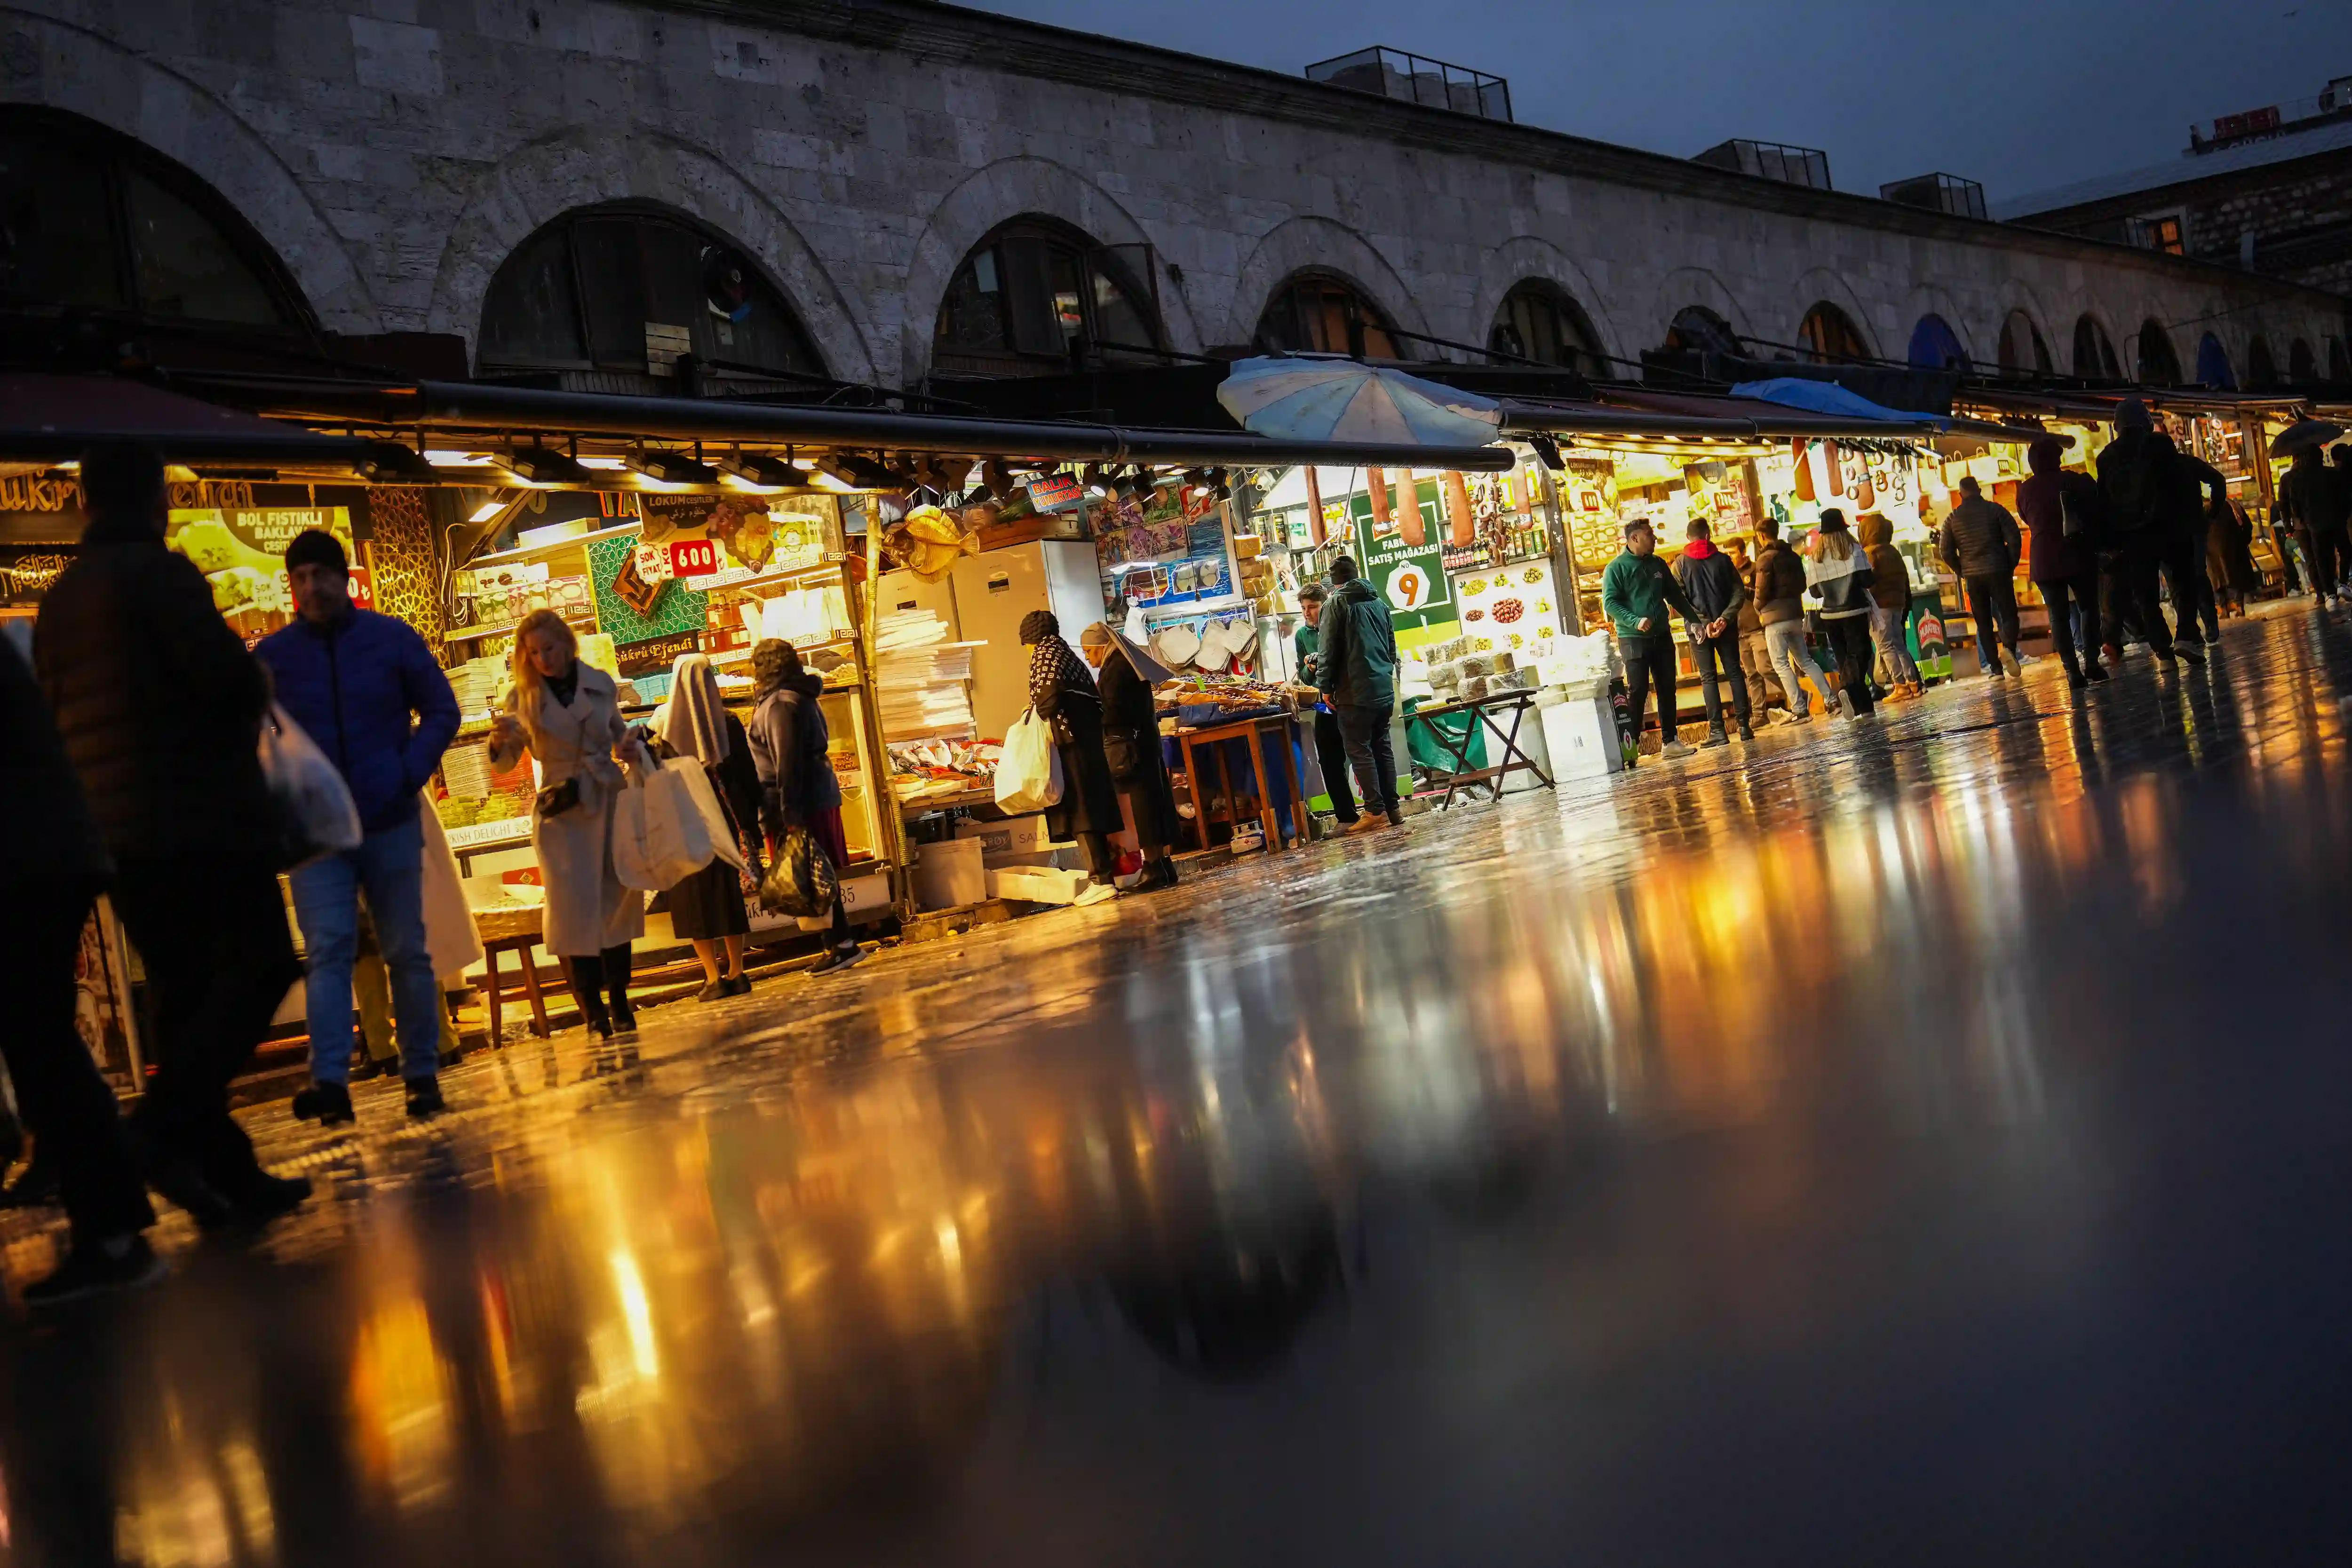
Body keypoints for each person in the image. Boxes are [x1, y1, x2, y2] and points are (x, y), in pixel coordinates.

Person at [33, 440, 309, 1229]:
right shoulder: (162, 574)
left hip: (119, 836)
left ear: (84, 503)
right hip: (204, 821)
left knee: (185, 996)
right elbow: (227, 682)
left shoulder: (62, 599)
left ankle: (227, 1175)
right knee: (260, 969)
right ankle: (154, 1133)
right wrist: (256, 679)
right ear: (158, 502)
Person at [255, 528, 461, 1125]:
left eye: (321, 574)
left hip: (389, 816)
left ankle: (421, 1073)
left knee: (406, 951)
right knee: (328, 953)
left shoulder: (390, 640)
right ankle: (331, 1083)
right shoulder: (274, 659)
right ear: (291, 585)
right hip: (317, 833)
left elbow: (443, 709)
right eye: (300, 577)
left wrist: (408, 771)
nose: (311, 586)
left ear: (343, 579)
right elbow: (246, 735)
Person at [0, 632, 161, 1301]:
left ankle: (116, 1232)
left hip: (27, 862)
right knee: (43, 1043)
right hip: (45, 854)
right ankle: (116, 1225)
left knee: (42, 1046)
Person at [487, 609, 652, 1034]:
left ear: (567, 643)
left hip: (608, 798)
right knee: (572, 909)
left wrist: (634, 747)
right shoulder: (522, 699)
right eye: (534, 653)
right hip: (561, 810)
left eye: (550, 648)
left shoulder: (599, 685)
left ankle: (619, 995)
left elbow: (618, 736)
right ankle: (591, 1003)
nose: (544, 659)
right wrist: (499, 741)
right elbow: (506, 763)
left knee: (617, 900)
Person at [746, 640, 870, 964]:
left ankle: (842, 944)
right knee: (817, 871)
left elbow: (787, 760)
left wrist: (790, 813)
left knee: (812, 872)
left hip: (801, 800)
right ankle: (837, 944)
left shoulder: (779, 704)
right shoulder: (797, 694)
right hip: (814, 794)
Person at [652, 653, 762, 1002]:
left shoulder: (662, 725)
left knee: (692, 902)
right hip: (724, 822)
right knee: (727, 896)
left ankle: (712, 976)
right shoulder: (727, 721)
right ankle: (737, 970)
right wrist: (751, 825)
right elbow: (748, 778)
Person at [1020, 611, 1126, 899]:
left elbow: (1047, 701)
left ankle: (1101, 880)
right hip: (1090, 746)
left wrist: (1033, 715)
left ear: (1031, 639)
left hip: (1070, 748)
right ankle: (1105, 877)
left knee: (1081, 812)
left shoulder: (1043, 656)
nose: (1028, 651)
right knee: (1091, 807)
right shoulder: (1069, 657)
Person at [2096, 398, 2199, 666]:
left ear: (2117, 426)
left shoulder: (2106, 458)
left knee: (2147, 598)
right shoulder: (2160, 445)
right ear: (2146, 421)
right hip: (2168, 529)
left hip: (2132, 537)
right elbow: (2181, 485)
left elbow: (2103, 503)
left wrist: (2111, 542)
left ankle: (2164, 654)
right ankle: (2186, 637)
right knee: (2183, 583)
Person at [1081, 622, 1181, 891]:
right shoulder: (1126, 662)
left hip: (1131, 748)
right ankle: (1163, 866)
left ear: (1103, 647)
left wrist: (1089, 716)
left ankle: (1154, 869)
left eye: (1090, 652)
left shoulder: (1116, 669)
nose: (1089, 659)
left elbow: (1113, 711)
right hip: (1144, 744)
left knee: (1143, 809)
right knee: (1154, 804)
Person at [1313, 556, 1407, 823]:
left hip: (1354, 691)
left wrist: (1325, 687)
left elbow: (1327, 650)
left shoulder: (1335, 604)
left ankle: (1374, 811)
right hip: (1382, 689)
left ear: (1335, 580)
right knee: (1382, 746)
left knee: (1359, 749)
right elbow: (1391, 648)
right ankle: (1393, 808)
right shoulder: (1379, 603)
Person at [2014, 436, 2110, 689]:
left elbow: (2026, 518)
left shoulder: (2024, 490)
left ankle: (2071, 671)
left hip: (2044, 558)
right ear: (2056, 459)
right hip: (2077, 552)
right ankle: (2091, 662)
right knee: (2088, 608)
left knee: (2058, 616)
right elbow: (2094, 506)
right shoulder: (2072, 480)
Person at [1602, 520, 1699, 760]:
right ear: (1634, 539)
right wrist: (1634, 620)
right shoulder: (1616, 569)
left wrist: (1694, 620)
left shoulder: (1657, 565)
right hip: (1633, 638)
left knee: (1667, 687)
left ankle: (1670, 741)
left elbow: (1674, 595)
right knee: (1638, 690)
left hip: (1662, 635)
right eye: (1649, 534)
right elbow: (1610, 603)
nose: (1654, 538)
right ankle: (1631, 746)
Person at [1670, 519, 1751, 745]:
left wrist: (1703, 622)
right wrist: (1724, 619)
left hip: (1699, 631)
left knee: (1709, 678)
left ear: (1689, 538)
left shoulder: (1680, 564)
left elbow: (1679, 600)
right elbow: (1739, 593)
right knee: (1735, 672)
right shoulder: (1724, 561)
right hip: (1726, 628)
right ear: (1708, 536)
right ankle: (1744, 727)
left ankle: (1718, 731)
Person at [1939, 476, 2023, 679]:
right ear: (1979, 490)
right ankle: (2009, 649)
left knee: (1983, 622)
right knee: (2009, 614)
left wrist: (1962, 570)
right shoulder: (1996, 510)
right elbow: (2014, 538)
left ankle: (1995, 669)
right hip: (1998, 570)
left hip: (1973, 577)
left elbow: (1945, 552)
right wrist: (2009, 564)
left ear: (1960, 495)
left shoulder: (1952, 519)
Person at [1292, 582, 1359, 828]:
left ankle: (1377, 810)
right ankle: (1347, 817)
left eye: (1313, 607)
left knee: (1360, 755)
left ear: (1325, 605)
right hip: (1324, 705)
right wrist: (1310, 669)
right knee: (1329, 761)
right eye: (1304, 609)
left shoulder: (1338, 626)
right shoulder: (1302, 636)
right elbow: (1305, 679)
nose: (1308, 613)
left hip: (1349, 701)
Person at [1804, 509, 1877, 718]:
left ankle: (1864, 707)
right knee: (1861, 653)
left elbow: (1814, 592)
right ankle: (1846, 687)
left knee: (1845, 659)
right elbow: (1867, 580)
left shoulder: (1815, 559)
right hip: (1855, 611)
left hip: (1830, 617)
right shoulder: (1854, 549)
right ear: (1844, 529)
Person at [1750, 516, 1815, 724]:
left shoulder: (1765, 558)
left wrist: (1757, 606)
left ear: (1761, 536)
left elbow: (1762, 590)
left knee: (1780, 664)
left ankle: (1799, 707)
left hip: (1774, 619)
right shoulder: (1793, 556)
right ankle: (1832, 699)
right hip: (1795, 614)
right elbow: (1803, 585)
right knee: (1805, 660)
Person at [1857, 513, 1923, 700]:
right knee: (1899, 645)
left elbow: (1867, 581)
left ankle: (1900, 686)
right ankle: (1913, 684)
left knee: (1885, 646)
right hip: (1897, 604)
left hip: (1879, 606)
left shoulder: (1870, 553)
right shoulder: (1893, 551)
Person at [2279, 445, 2350, 606]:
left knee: (2317, 559)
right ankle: (2341, 583)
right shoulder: (2332, 474)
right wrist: (2344, 515)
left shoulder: (2293, 479)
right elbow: (2345, 497)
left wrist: (2294, 523)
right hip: (2335, 521)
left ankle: (2325, 593)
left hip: (2309, 525)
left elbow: (2288, 504)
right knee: (2341, 552)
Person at [1725, 539, 1777, 719]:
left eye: (1733, 553)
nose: (1730, 557)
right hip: (1739, 633)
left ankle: (1798, 695)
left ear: (1743, 552)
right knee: (1752, 674)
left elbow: (1763, 594)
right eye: (1728, 554)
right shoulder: (1726, 575)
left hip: (1757, 628)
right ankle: (1759, 715)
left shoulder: (1755, 569)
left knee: (1766, 668)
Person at [2208, 498, 2257, 617]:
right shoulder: (2233, 506)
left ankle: (2223, 608)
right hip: (2234, 550)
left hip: (2211, 554)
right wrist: (2243, 541)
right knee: (2234, 579)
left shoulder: (2204, 510)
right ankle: (2239, 606)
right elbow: (2247, 526)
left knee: (2217, 580)